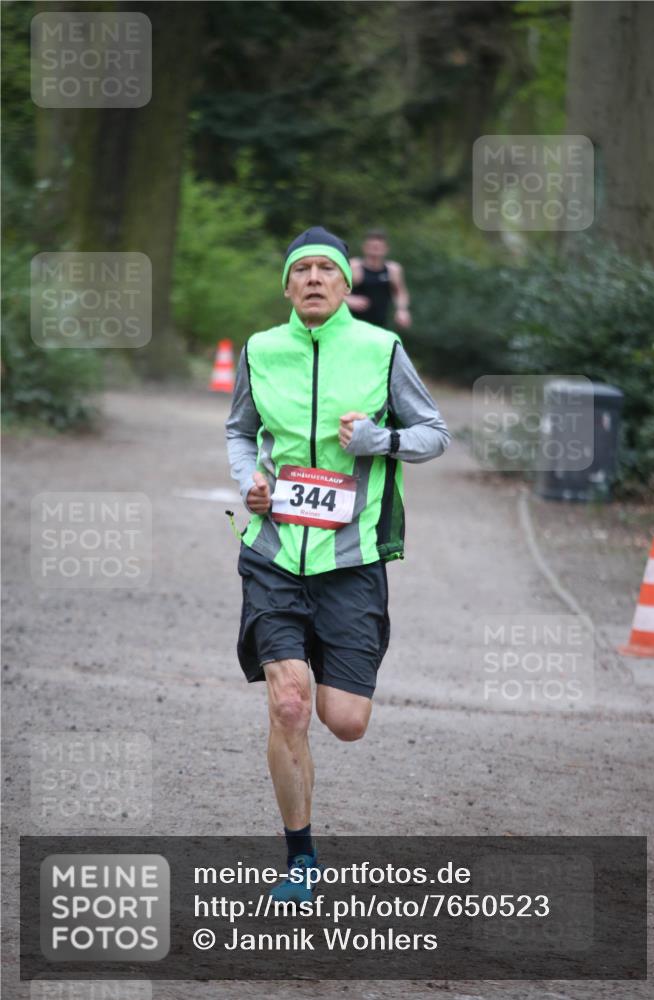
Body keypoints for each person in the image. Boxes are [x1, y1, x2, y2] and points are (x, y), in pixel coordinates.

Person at [225, 226, 449, 903]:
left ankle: (321, 659)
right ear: (287, 286)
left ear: (346, 285)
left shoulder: (381, 349)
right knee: (289, 703)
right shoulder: (261, 350)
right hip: (273, 551)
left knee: (345, 721)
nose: (315, 278)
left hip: (352, 559)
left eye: (327, 269)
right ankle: (299, 860)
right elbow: (240, 432)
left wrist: (379, 440)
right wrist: (248, 481)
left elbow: (434, 434)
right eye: (303, 270)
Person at [347, 228, 412, 330]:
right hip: (352, 325)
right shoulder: (353, 266)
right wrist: (348, 300)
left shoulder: (393, 269)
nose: (375, 251)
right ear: (364, 248)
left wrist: (402, 310)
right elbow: (333, 291)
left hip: (380, 326)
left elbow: (400, 292)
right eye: (372, 247)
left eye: (378, 247)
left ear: (386, 249)